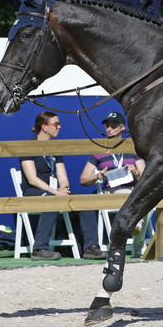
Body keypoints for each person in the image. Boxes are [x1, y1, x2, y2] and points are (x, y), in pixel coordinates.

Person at [20, 112, 106, 261]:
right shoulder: (28, 147)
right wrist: (54, 191)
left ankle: (91, 248)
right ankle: (39, 249)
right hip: (34, 192)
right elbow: (32, 179)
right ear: (44, 127)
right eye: (55, 124)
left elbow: (62, 176)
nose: (59, 127)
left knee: (86, 201)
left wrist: (64, 188)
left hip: (54, 192)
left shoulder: (55, 149)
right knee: (52, 200)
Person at [79, 112, 150, 258]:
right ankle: (137, 242)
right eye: (107, 126)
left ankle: (137, 239)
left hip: (132, 189)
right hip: (111, 191)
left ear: (122, 128)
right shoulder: (99, 150)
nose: (109, 129)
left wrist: (136, 173)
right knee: (133, 199)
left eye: (113, 126)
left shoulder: (133, 148)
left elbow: (145, 176)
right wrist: (98, 176)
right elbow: (83, 179)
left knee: (150, 202)